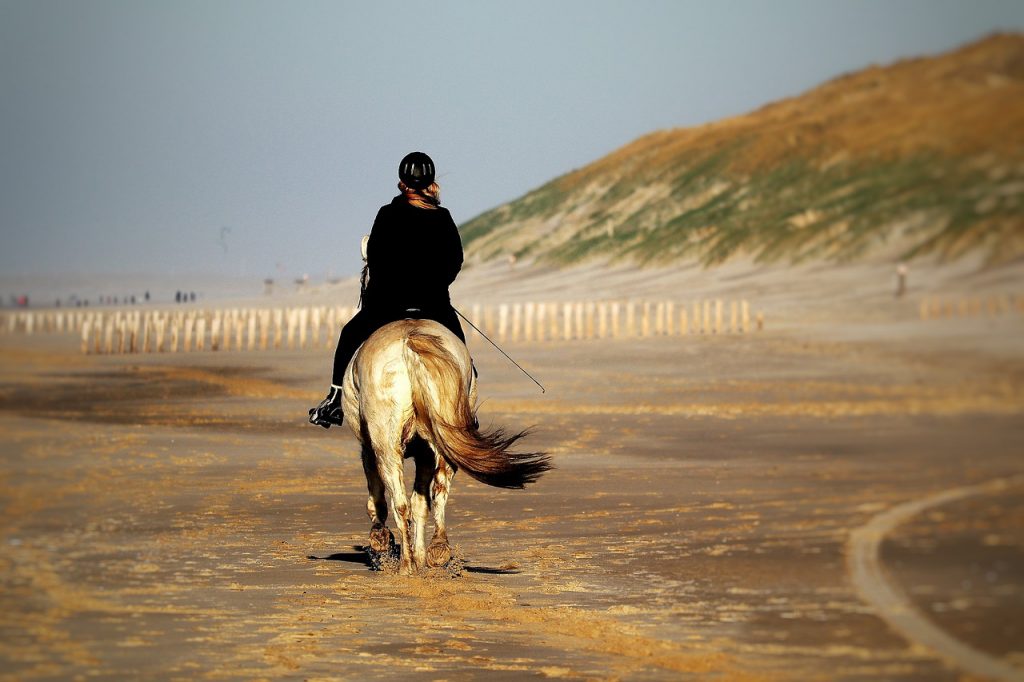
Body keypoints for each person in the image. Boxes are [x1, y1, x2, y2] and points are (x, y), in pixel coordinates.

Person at [309, 152, 467, 428]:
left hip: (386, 306)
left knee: (348, 335)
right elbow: (455, 261)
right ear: (431, 182)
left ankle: (334, 401)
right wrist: (435, 286)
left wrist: (388, 286)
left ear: (402, 182)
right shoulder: (443, 217)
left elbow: (376, 258)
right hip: (435, 305)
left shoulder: (387, 214)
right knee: (462, 352)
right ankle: (464, 407)